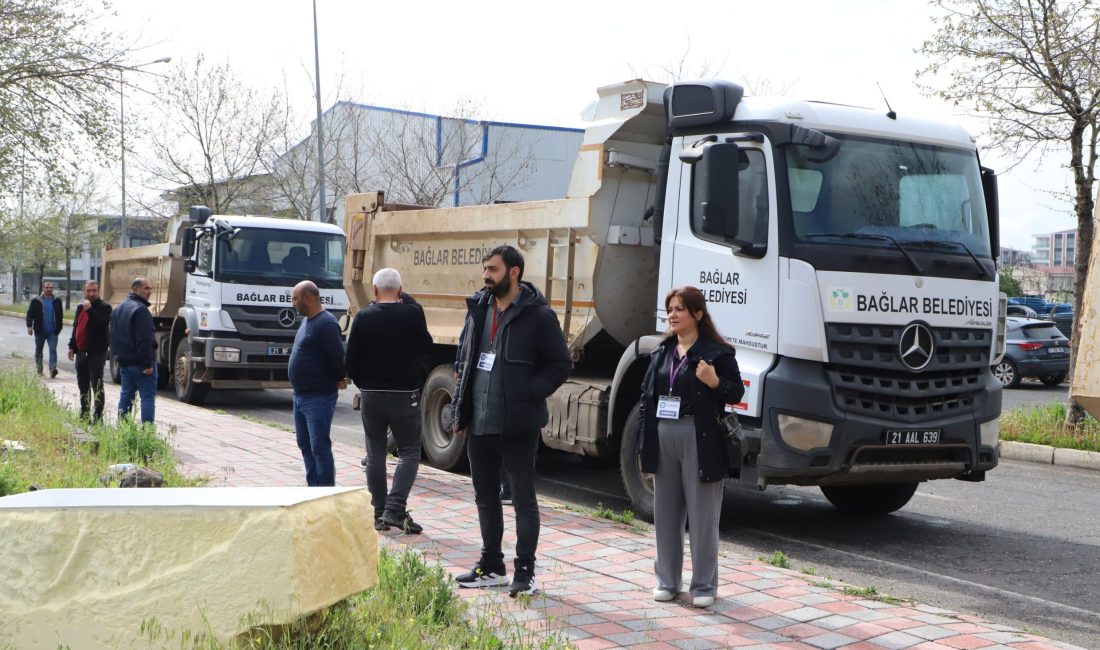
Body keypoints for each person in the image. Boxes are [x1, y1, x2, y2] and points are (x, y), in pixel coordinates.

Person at [452, 245, 571, 598]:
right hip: (480, 421)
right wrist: (461, 399)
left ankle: (525, 571)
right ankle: (491, 566)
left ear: (514, 272)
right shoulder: (478, 308)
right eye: (485, 269)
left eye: (493, 269)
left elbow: (560, 365)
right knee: (485, 497)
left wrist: (527, 392)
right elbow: (465, 353)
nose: (486, 276)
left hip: (517, 423)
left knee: (522, 500)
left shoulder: (538, 316)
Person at [637, 286, 744, 609]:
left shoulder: (717, 354)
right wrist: (645, 442)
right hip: (663, 434)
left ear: (697, 314)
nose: (672, 315)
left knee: (702, 516)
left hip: (700, 437)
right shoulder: (661, 352)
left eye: (680, 309)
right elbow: (646, 400)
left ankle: (703, 586)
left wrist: (715, 382)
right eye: (670, 309)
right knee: (666, 514)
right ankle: (667, 581)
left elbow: (735, 392)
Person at [345, 268, 433, 533]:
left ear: (374, 290)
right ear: (400, 289)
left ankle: (378, 512)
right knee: (408, 452)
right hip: (405, 394)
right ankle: (395, 509)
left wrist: (365, 384)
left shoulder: (363, 317)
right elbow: (426, 348)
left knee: (375, 452)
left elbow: (351, 359)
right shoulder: (413, 314)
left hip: (372, 394)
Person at [289, 280, 346, 487]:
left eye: (295, 298)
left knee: (319, 446)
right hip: (300, 396)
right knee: (304, 444)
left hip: (318, 398)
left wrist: (338, 377)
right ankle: (313, 488)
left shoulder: (327, 323)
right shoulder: (307, 321)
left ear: (308, 298)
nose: (292, 303)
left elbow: (338, 358)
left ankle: (325, 492)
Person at [110, 277, 158, 424]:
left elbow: (112, 336)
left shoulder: (118, 308)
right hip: (141, 364)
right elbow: (144, 340)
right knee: (147, 398)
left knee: (126, 397)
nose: (150, 291)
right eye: (146, 288)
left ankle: (123, 430)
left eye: (150, 288)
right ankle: (147, 433)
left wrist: (118, 356)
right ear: (135, 289)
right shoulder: (141, 310)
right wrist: (147, 364)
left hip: (125, 363)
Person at [68, 281, 112, 423]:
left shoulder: (105, 307)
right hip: (81, 351)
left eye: (94, 291)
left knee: (96, 383)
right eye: (88, 291)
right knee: (82, 383)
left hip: (97, 352)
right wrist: (72, 346)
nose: (91, 293)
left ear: (99, 291)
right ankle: (84, 413)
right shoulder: (81, 307)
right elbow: (77, 327)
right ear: (84, 291)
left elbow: (101, 324)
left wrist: (90, 310)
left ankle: (98, 418)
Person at [26, 281, 64, 377]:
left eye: (51, 287)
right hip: (40, 331)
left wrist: (59, 328)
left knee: (53, 350)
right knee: (39, 351)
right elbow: (30, 314)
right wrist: (29, 326)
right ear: (43, 288)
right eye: (47, 287)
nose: (49, 289)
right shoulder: (36, 301)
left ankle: (53, 370)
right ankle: (39, 370)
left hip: (52, 331)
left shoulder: (57, 301)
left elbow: (60, 315)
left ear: (53, 289)